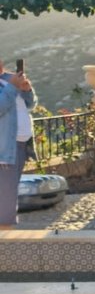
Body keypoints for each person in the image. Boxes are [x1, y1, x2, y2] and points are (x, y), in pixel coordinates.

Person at [0, 59, 36, 230]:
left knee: (10, 191)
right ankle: (5, 236)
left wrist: (26, 90)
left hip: (20, 146)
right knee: (5, 195)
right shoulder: (9, 84)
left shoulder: (8, 79)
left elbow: (30, 105)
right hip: (5, 148)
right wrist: (13, 87)